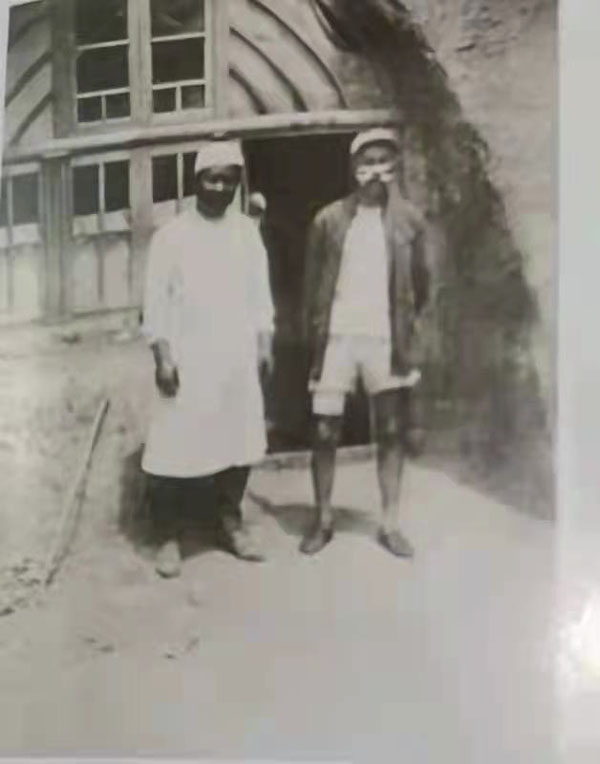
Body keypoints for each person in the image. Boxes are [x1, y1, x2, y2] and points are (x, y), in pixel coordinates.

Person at [142, 139, 274, 578]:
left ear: (237, 184)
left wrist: (265, 345)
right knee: (172, 446)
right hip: (188, 355)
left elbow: (260, 297)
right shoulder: (171, 236)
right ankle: (168, 535)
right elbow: (155, 304)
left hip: (235, 355)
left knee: (239, 441)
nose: (219, 188)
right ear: (196, 181)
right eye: (212, 179)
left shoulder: (247, 233)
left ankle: (230, 522)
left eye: (228, 180)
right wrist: (163, 357)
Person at [301, 127, 430, 558]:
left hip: (385, 340)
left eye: (383, 161)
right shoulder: (329, 220)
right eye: (367, 162)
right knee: (324, 430)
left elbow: (422, 284)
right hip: (337, 338)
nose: (375, 171)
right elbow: (310, 286)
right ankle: (322, 519)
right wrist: (314, 335)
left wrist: (404, 324)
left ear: (395, 166)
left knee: (390, 430)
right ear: (353, 167)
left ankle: (390, 523)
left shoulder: (410, 221)